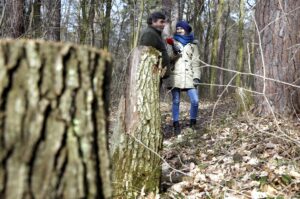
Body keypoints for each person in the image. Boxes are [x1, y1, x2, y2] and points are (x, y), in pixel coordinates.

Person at [165, 20, 201, 134]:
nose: (179, 30)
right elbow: (168, 60)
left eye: (181, 28)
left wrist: (196, 77)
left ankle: (192, 124)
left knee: (195, 100)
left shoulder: (193, 45)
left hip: (189, 76)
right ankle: (176, 125)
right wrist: (175, 53)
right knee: (176, 101)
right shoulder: (172, 42)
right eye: (178, 28)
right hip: (176, 76)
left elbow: (196, 62)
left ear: (186, 30)